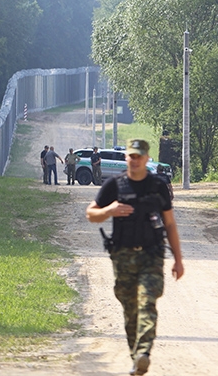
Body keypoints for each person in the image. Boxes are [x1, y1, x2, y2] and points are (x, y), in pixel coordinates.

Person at [86, 139, 184, 375]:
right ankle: (136, 358)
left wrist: (178, 259)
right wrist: (109, 211)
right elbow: (91, 214)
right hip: (123, 257)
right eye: (132, 156)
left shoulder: (158, 186)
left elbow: (169, 224)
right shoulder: (114, 185)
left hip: (152, 255)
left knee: (147, 301)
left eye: (140, 156)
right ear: (127, 158)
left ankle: (144, 352)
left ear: (147, 158)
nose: (136, 160)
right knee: (130, 310)